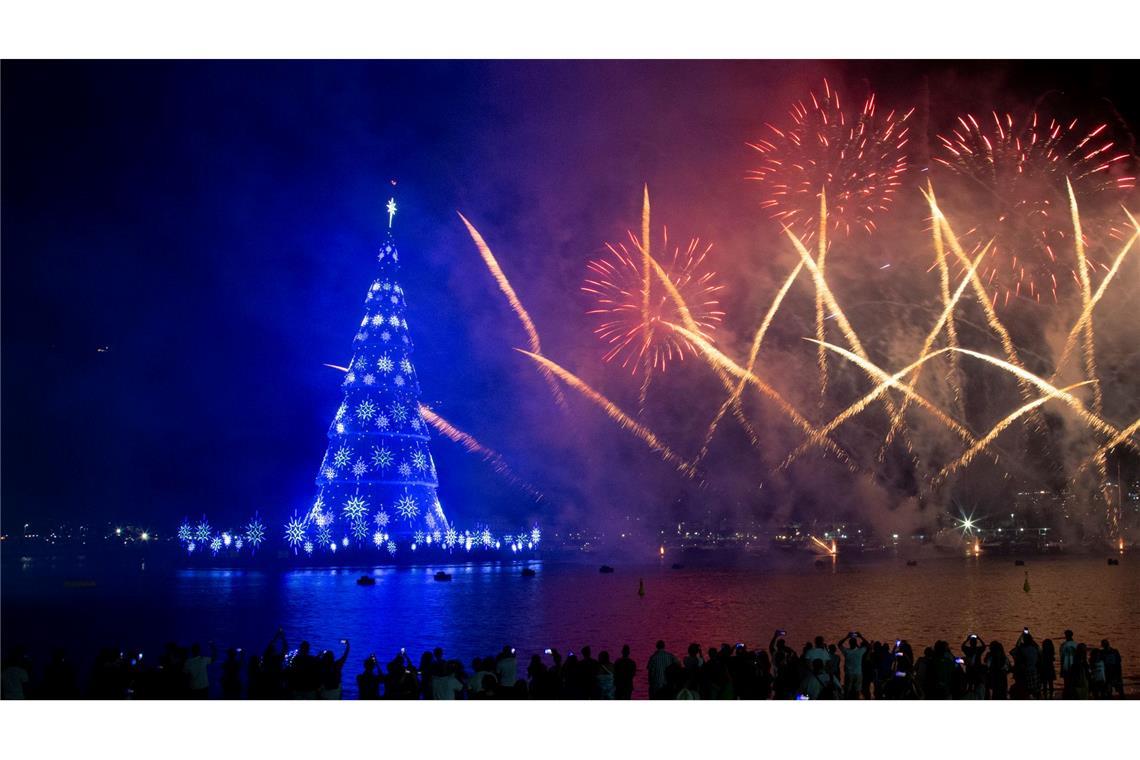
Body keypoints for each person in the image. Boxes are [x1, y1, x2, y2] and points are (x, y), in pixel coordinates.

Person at [839, 632, 867, 699]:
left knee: (847, 690)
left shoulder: (846, 651)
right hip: (858, 673)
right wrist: (861, 636)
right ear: (856, 644)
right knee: (857, 691)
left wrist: (847, 636)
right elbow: (868, 645)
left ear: (849, 644)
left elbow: (839, 644)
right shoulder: (860, 651)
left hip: (849, 673)